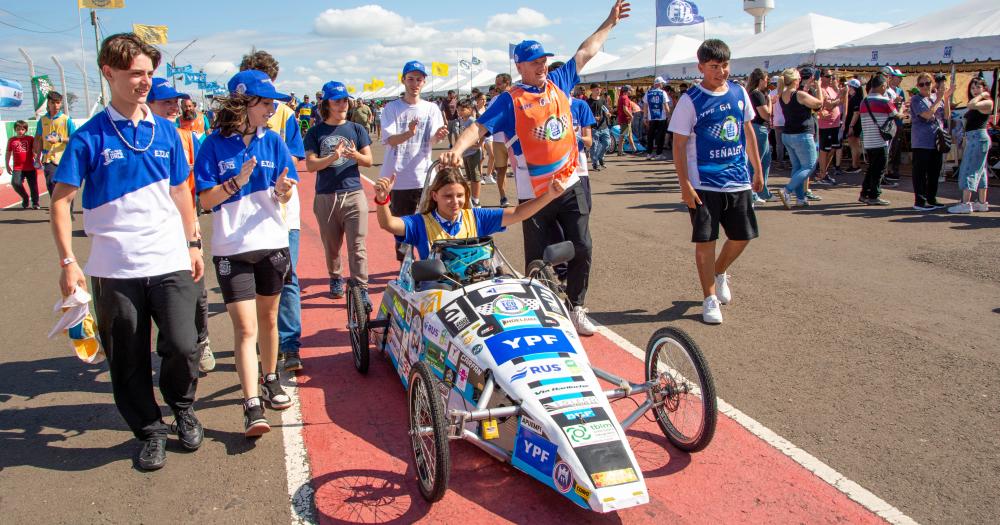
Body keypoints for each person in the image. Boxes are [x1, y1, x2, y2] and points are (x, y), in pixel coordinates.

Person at [51, 32, 204, 470]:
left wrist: (193, 242)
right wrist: (68, 262)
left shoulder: (167, 131)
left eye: (149, 74)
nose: (145, 82)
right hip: (114, 267)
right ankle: (149, 428)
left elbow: (180, 191)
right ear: (109, 72)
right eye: (136, 73)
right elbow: (60, 201)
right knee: (128, 356)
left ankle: (181, 406)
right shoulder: (89, 136)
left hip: (169, 258)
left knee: (182, 342)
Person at [441, 0, 631, 335]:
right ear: (521, 67)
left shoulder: (560, 79)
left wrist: (610, 23)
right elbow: (478, 128)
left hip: (570, 182)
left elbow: (586, 51)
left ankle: (577, 306)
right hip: (535, 193)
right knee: (539, 258)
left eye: (544, 59)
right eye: (534, 62)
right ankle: (545, 309)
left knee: (582, 245)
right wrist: (456, 149)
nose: (542, 65)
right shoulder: (509, 100)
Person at [194, 69, 299, 437]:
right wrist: (237, 181)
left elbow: (284, 191)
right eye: (267, 102)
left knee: (269, 322)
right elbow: (206, 201)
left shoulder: (274, 141)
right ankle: (251, 403)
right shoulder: (211, 145)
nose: (272, 108)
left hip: (271, 243)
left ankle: (271, 378)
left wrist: (284, 190)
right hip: (231, 250)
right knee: (245, 327)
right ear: (245, 103)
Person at [669, 39, 763, 325]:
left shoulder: (738, 92)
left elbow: (748, 131)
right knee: (706, 241)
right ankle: (709, 297)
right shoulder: (690, 100)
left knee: (742, 236)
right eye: (713, 67)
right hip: (704, 183)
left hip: (737, 180)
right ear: (701, 67)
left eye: (724, 65)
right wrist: (685, 184)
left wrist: (757, 170)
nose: (720, 71)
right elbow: (679, 145)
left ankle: (719, 272)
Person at [239, 49, 307, 372]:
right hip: (244, 218)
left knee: (287, 278)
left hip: (283, 211)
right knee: (250, 286)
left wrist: (277, 180)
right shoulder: (229, 126)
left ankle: (291, 344)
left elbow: (294, 159)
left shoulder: (284, 115)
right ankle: (260, 344)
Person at [146, 78, 216, 373]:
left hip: (184, 223)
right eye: (166, 102)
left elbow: (201, 179)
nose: (174, 107)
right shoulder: (138, 137)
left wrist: (193, 223)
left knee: (196, 287)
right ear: (148, 104)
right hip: (150, 230)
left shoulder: (189, 137)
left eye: (176, 102)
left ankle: (202, 341)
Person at [373, 167, 566, 259]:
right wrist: (382, 200)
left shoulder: (475, 217)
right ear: (434, 196)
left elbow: (518, 213)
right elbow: (388, 224)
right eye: (448, 196)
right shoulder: (420, 223)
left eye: (460, 195)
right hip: (435, 296)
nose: (455, 202)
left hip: (476, 291)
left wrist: (549, 196)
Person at [305, 81, 373, 302]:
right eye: (337, 100)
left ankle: (361, 286)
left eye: (345, 99)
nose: (343, 104)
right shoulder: (315, 132)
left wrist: (355, 156)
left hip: (353, 193)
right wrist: (333, 157)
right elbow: (311, 165)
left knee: (357, 246)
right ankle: (335, 277)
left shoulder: (356, 129)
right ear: (326, 103)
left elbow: (369, 161)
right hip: (326, 196)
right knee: (332, 245)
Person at [378, 60, 449, 263]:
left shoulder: (431, 108)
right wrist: (408, 133)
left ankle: (430, 265)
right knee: (403, 229)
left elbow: (432, 140)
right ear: (403, 81)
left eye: (419, 79)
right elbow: (390, 140)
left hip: (425, 177)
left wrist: (440, 134)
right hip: (399, 178)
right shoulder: (391, 108)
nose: (415, 83)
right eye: (411, 79)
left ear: (424, 82)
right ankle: (405, 267)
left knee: (431, 224)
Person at [777, 67, 824, 208]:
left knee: (797, 167)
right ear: (796, 80)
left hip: (788, 134)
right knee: (809, 165)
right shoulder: (799, 95)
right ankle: (787, 190)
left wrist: (808, 86)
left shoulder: (783, 94)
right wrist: (819, 87)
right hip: (801, 134)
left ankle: (800, 198)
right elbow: (819, 103)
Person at [948, 78, 993, 214]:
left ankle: (965, 203)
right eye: (973, 88)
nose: (975, 90)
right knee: (980, 171)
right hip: (975, 138)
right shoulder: (981, 102)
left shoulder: (987, 101)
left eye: (978, 87)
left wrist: (981, 95)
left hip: (978, 138)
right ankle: (981, 202)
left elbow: (971, 105)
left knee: (969, 169)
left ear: (984, 88)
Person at [910, 72, 954, 210]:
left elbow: (947, 116)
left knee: (934, 172)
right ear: (918, 86)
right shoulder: (916, 100)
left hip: (936, 141)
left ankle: (931, 198)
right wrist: (938, 99)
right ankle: (920, 201)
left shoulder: (936, 97)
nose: (925, 87)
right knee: (920, 172)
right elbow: (927, 115)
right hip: (921, 141)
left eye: (928, 83)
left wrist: (945, 99)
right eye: (921, 84)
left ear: (932, 84)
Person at [858, 74, 899, 206]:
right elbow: (897, 115)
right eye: (885, 86)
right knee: (879, 170)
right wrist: (901, 107)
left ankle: (864, 193)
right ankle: (874, 195)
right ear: (882, 86)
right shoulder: (884, 101)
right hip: (880, 141)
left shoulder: (863, 101)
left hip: (869, 141)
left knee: (871, 168)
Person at [34, 91, 76, 208]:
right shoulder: (42, 121)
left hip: (64, 157)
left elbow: (74, 138)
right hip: (48, 159)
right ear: (48, 103)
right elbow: (40, 139)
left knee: (65, 184)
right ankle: (58, 208)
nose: (56, 106)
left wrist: (60, 139)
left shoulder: (66, 119)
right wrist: (37, 157)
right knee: (51, 183)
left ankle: (68, 210)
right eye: (53, 103)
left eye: (58, 103)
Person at [815, 69, 847, 185]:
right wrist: (839, 98)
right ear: (822, 77)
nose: (831, 79)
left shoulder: (831, 89)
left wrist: (840, 94)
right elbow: (828, 105)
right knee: (824, 150)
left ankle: (824, 172)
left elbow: (840, 101)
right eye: (828, 76)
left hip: (835, 123)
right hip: (825, 125)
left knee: (833, 148)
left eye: (832, 77)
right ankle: (822, 174)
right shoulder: (821, 90)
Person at [747, 68, 774, 204]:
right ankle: (752, 192)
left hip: (759, 128)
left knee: (765, 160)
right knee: (756, 160)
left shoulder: (753, 93)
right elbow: (766, 115)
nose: (767, 82)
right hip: (758, 128)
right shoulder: (757, 94)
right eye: (766, 79)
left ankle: (762, 191)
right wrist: (769, 101)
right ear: (761, 80)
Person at [488, 73, 513, 206]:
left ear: (507, 82)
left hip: (514, 140)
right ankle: (503, 197)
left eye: (499, 83)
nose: (496, 86)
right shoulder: (494, 99)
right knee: (501, 169)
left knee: (520, 170)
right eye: (496, 83)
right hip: (498, 140)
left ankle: (525, 197)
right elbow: (489, 118)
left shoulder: (517, 96)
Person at [455, 99, 485, 206]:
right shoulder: (460, 121)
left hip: (473, 153)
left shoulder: (473, 121)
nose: (460, 112)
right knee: (469, 177)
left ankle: (476, 200)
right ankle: (472, 198)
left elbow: (484, 133)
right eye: (458, 110)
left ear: (470, 109)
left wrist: (479, 144)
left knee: (475, 177)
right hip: (465, 153)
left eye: (462, 109)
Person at [6, 120, 39, 209]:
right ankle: (25, 197)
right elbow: (8, 152)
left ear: (26, 130)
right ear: (15, 130)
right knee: (15, 183)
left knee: (33, 186)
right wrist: (7, 164)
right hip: (17, 167)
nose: (20, 131)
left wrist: (37, 157)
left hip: (30, 167)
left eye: (22, 129)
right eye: (18, 129)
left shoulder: (30, 139)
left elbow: (35, 149)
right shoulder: (12, 140)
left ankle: (35, 203)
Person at [881, 66, 906, 183]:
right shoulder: (884, 90)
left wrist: (901, 105)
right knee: (887, 147)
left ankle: (894, 170)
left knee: (896, 147)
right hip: (889, 122)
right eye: (898, 77)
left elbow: (903, 104)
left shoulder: (900, 91)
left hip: (898, 122)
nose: (900, 80)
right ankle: (885, 172)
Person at [644, 76, 670, 160]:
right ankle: (659, 154)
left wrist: (645, 116)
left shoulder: (648, 93)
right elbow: (666, 106)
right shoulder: (663, 93)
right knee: (660, 136)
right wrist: (669, 116)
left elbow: (645, 105)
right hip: (661, 117)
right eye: (662, 83)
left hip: (651, 117)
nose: (662, 85)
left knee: (650, 135)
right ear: (659, 84)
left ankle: (649, 153)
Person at [587, 83, 612, 171]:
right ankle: (595, 163)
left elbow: (606, 110)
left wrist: (608, 114)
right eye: (596, 89)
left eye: (599, 89)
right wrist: (593, 118)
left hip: (604, 126)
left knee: (607, 143)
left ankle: (600, 157)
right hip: (593, 128)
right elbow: (586, 114)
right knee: (594, 146)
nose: (598, 91)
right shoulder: (588, 102)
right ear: (592, 90)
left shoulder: (603, 100)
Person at [843, 78, 865, 175]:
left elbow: (856, 113)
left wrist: (851, 126)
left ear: (852, 87)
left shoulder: (856, 98)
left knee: (854, 145)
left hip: (854, 124)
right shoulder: (855, 97)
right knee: (855, 145)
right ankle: (855, 164)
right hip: (854, 124)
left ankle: (855, 165)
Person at [616, 85, 639, 155]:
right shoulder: (625, 98)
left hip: (623, 119)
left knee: (626, 135)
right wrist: (631, 116)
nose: (631, 91)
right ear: (627, 91)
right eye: (630, 90)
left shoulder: (621, 97)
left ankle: (624, 150)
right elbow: (625, 109)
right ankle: (633, 149)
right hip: (625, 119)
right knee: (624, 135)